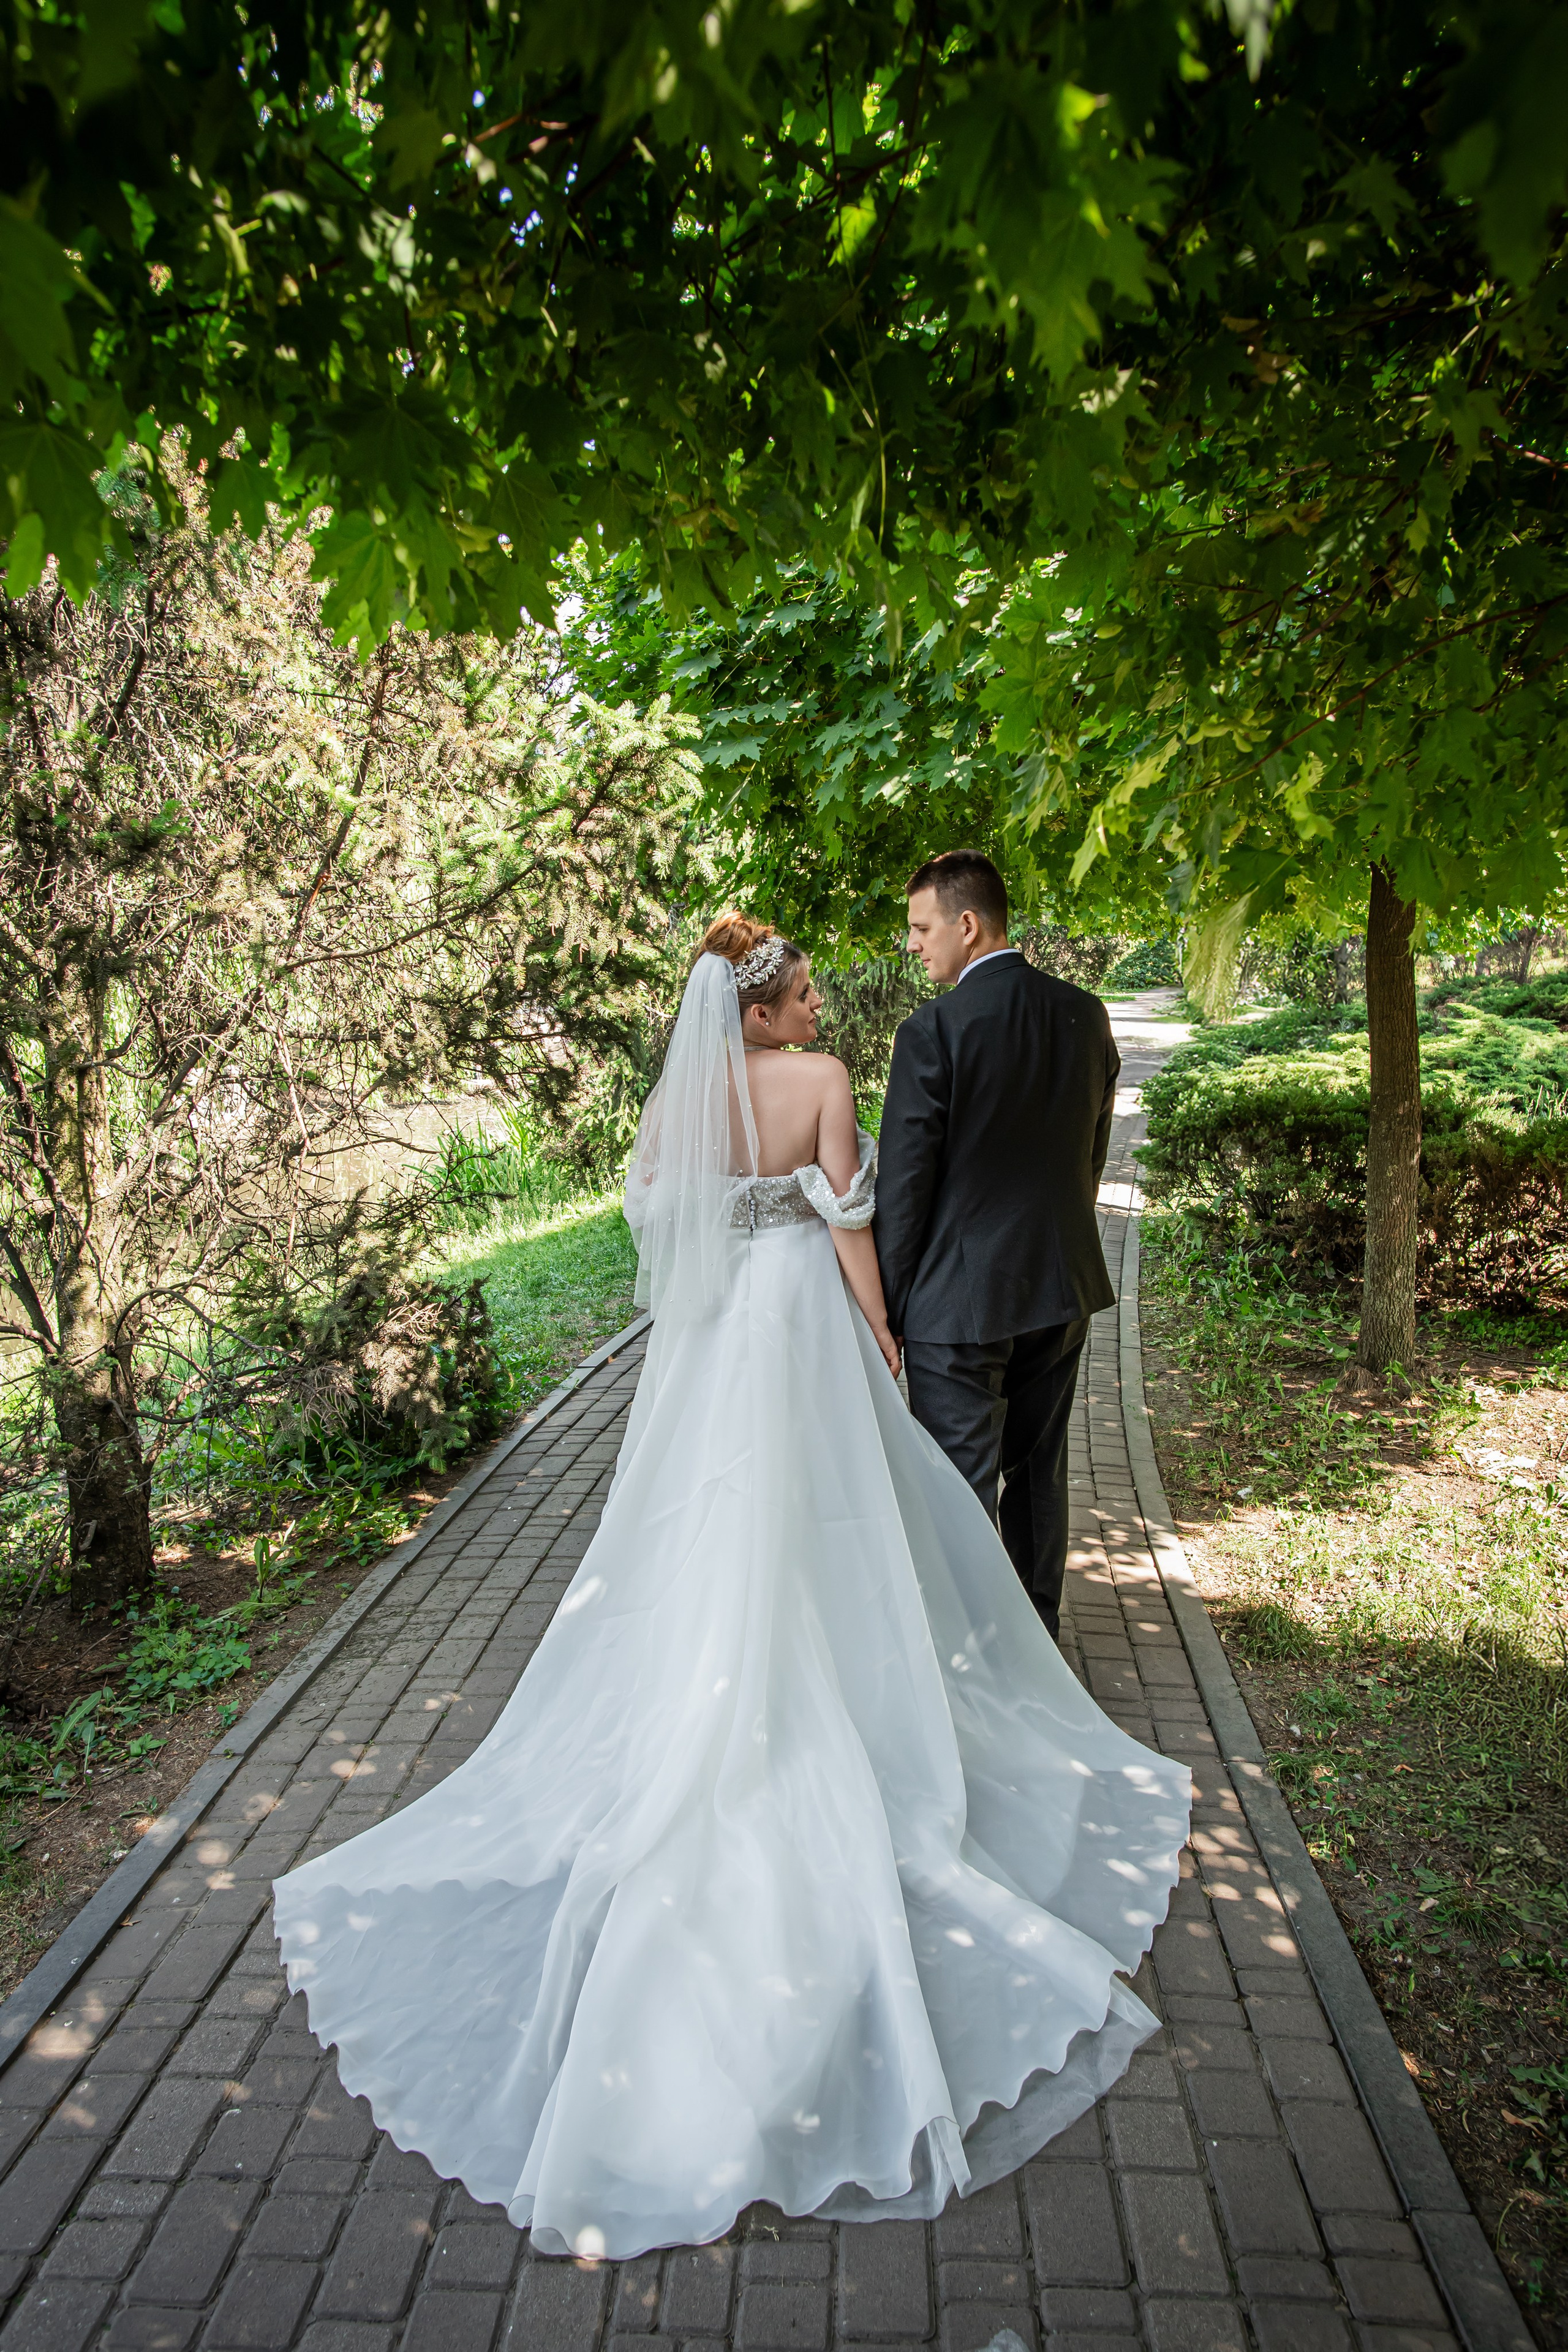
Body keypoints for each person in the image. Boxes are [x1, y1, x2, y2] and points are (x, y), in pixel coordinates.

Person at [272, 913, 1188, 2263]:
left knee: (700, 1525)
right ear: (759, 1013)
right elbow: (849, 1219)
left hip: (710, 1348)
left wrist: (716, 1247)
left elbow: (653, 1207)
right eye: (803, 989)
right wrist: (878, 1325)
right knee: (829, 1516)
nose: (818, 1002)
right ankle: (833, 1690)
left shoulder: (689, 1093)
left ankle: (708, 1685)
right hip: (800, 1325)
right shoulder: (820, 1087)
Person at [875, 851, 1121, 1640]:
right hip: (1061, 1287)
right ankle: (1038, 1641)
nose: (913, 944)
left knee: (959, 1485)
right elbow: (1091, 1153)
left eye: (921, 927)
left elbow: (905, 1188)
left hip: (958, 1303)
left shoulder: (933, 1031)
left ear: (967, 924)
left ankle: (969, 1657)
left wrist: (890, 1307)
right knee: (1040, 1473)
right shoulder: (1086, 1014)